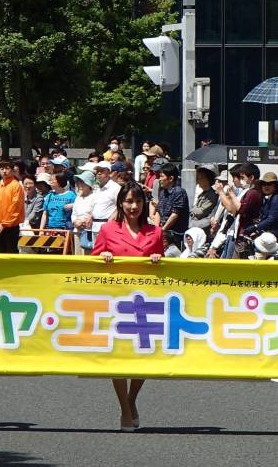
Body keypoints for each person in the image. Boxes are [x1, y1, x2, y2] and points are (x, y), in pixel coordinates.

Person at [93, 181, 163, 432]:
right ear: (121, 204)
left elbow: (164, 269)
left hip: (145, 302)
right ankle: (124, 408)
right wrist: (103, 258)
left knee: (142, 357)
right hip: (116, 302)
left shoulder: (155, 232)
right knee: (118, 357)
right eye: (128, 201)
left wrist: (158, 260)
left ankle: (132, 399)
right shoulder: (108, 230)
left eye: (138, 201)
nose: (133, 206)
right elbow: (93, 263)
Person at [0, 158, 24, 253]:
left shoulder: (16, 186)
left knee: (11, 252)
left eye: (7, 168)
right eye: (2, 169)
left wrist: (4, 224)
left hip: (11, 226)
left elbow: (15, 207)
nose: (4, 171)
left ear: (12, 170)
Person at [245, 171, 278, 246]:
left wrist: (255, 227)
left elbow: (271, 219)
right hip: (270, 238)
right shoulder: (268, 199)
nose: (266, 186)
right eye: (264, 184)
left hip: (277, 240)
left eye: (269, 184)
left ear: (275, 186)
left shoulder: (277, 199)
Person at [155, 163, 189, 242]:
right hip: (163, 231)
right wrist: (156, 229)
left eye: (162, 176)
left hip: (175, 234)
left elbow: (175, 215)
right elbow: (158, 211)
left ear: (170, 178)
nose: (159, 179)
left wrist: (163, 230)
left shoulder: (179, 192)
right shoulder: (162, 192)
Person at [71, 171, 97, 253]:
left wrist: (82, 222)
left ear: (89, 184)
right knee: (78, 255)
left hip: (89, 231)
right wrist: (75, 221)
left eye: (82, 182)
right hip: (77, 230)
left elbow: (95, 213)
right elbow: (74, 213)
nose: (79, 184)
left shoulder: (95, 197)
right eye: (78, 182)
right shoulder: (78, 197)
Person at [189, 166, 219, 233]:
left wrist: (192, 210)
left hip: (203, 226)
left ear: (207, 179)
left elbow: (201, 212)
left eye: (201, 178)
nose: (198, 180)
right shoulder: (202, 194)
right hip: (195, 223)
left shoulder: (212, 195)